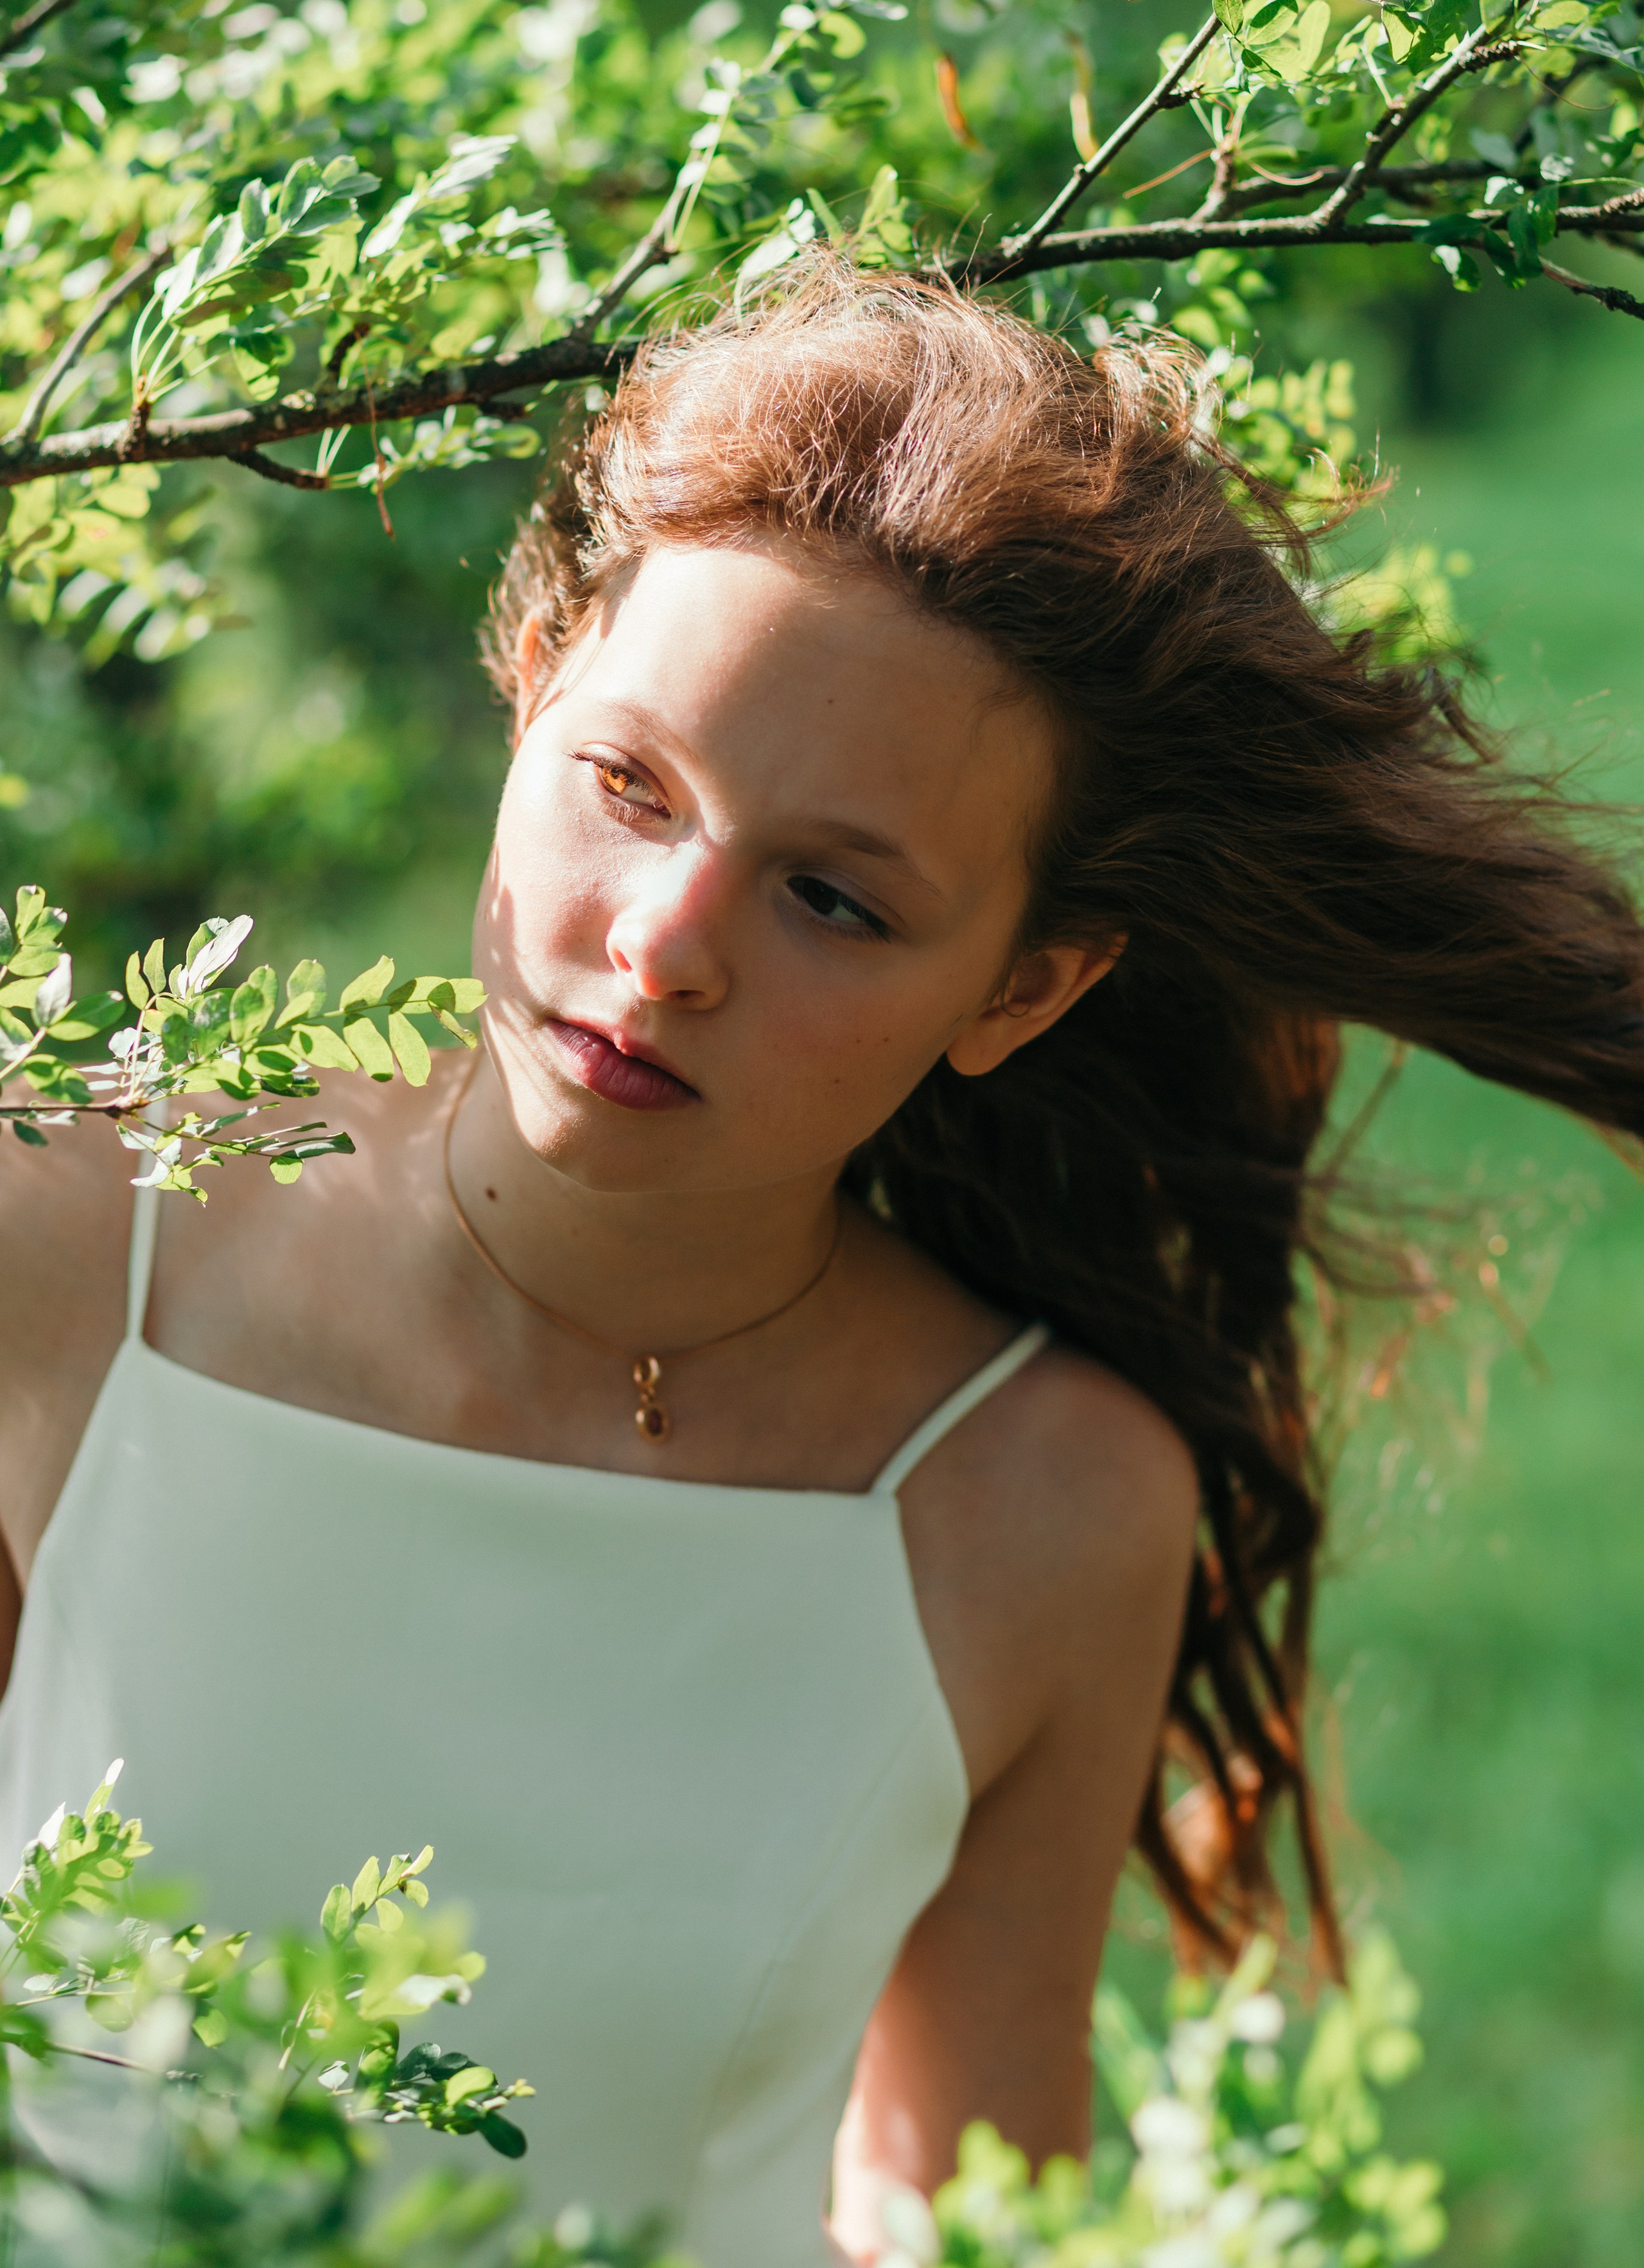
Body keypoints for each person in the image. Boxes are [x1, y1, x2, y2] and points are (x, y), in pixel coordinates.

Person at [3, 263, 1641, 2267]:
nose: (668, 943)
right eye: (630, 783)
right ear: (530, 666)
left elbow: (961, 2216)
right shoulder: (76, 1232)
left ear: (1022, 990)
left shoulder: (1034, 1503)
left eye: (834, 900)